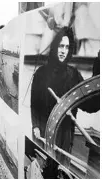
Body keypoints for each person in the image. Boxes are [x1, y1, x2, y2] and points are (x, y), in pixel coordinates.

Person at [30, 27, 84, 164]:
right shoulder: (41, 73)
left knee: (62, 167)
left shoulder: (74, 75)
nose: (63, 51)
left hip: (65, 133)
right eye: (60, 46)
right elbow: (34, 102)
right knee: (45, 167)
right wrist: (35, 126)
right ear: (55, 47)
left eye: (66, 47)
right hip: (43, 129)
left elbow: (88, 104)